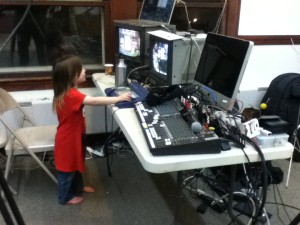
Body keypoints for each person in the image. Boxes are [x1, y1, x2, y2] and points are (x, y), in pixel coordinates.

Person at [52, 55, 132, 205]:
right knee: (67, 170)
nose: (85, 70)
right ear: (72, 76)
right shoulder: (72, 95)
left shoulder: (67, 91)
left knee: (76, 165)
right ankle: (65, 198)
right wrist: (118, 99)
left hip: (74, 136)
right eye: (81, 69)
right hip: (68, 140)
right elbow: (94, 101)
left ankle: (78, 188)